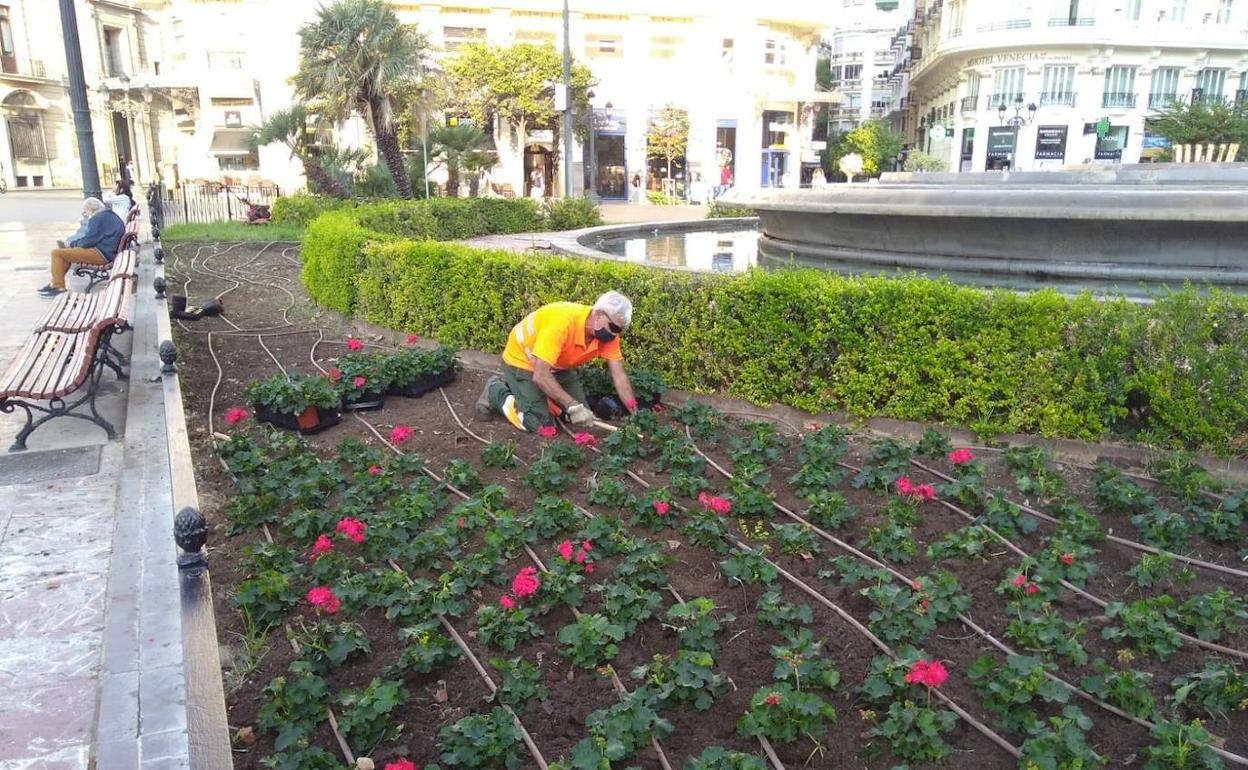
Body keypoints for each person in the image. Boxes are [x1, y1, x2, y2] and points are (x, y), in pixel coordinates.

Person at [475, 291, 640, 433]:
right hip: (522, 359)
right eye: (614, 327)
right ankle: (495, 390)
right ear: (597, 315)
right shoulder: (562, 323)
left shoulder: (608, 335)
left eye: (620, 330)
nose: (615, 334)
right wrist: (572, 406)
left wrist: (635, 413)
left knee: (582, 420)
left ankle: (534, 395)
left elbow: (619, 375)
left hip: (554, 365)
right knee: (541, 425)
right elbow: (540, 375)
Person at [38, 197, 124, 296]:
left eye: (85, 211)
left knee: (56, 253)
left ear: (91, 209)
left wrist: (72, 244)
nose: (84, 214)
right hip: (108, 251)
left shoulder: (98, 218)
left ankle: (58, 286)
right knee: (64, 254)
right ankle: (56, 283)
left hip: (102, 254)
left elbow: (87, 242)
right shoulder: (108, 215)